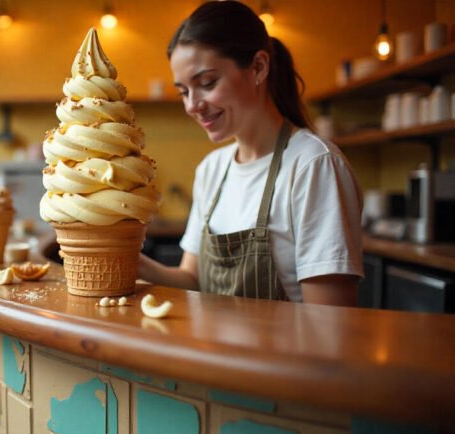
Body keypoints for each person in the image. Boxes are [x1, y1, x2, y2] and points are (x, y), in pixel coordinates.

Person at [138, 1, 363, 305]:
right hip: (214, 352)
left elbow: (329, 321)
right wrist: (126, 257)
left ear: (258, 67)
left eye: (207, 83)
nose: (192, 105)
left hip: (281, 354)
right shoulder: (212, 169)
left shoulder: (313, 166)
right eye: (183, 91)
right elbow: (192, 280)